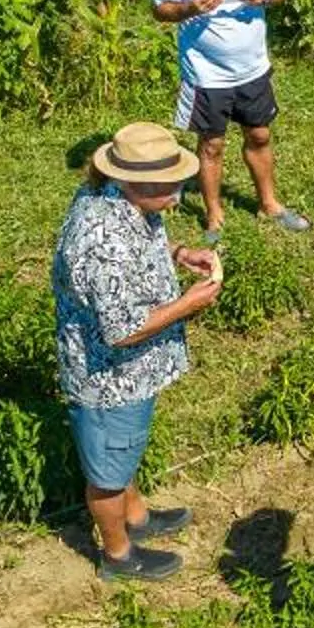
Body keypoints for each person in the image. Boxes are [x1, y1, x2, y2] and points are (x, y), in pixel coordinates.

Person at [51, 123, 220, 582]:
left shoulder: (120, 201)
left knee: (123, 449)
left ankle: (138, 516)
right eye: (168, 188)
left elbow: (139, 250)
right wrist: (190, 303)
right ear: (131, 181)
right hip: (110, 377)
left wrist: (179, 253)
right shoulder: (99, 239)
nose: (178, 196)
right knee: (107, 469)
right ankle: (118, 555)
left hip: (135, 372)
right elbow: (122, 331)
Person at [153, 0, 306, 240]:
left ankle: (269, 204)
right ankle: (214, 216)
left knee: (260, 135)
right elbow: (159, 9)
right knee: (212, 145)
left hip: (252, 68)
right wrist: (189, 9)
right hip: (206, 74)